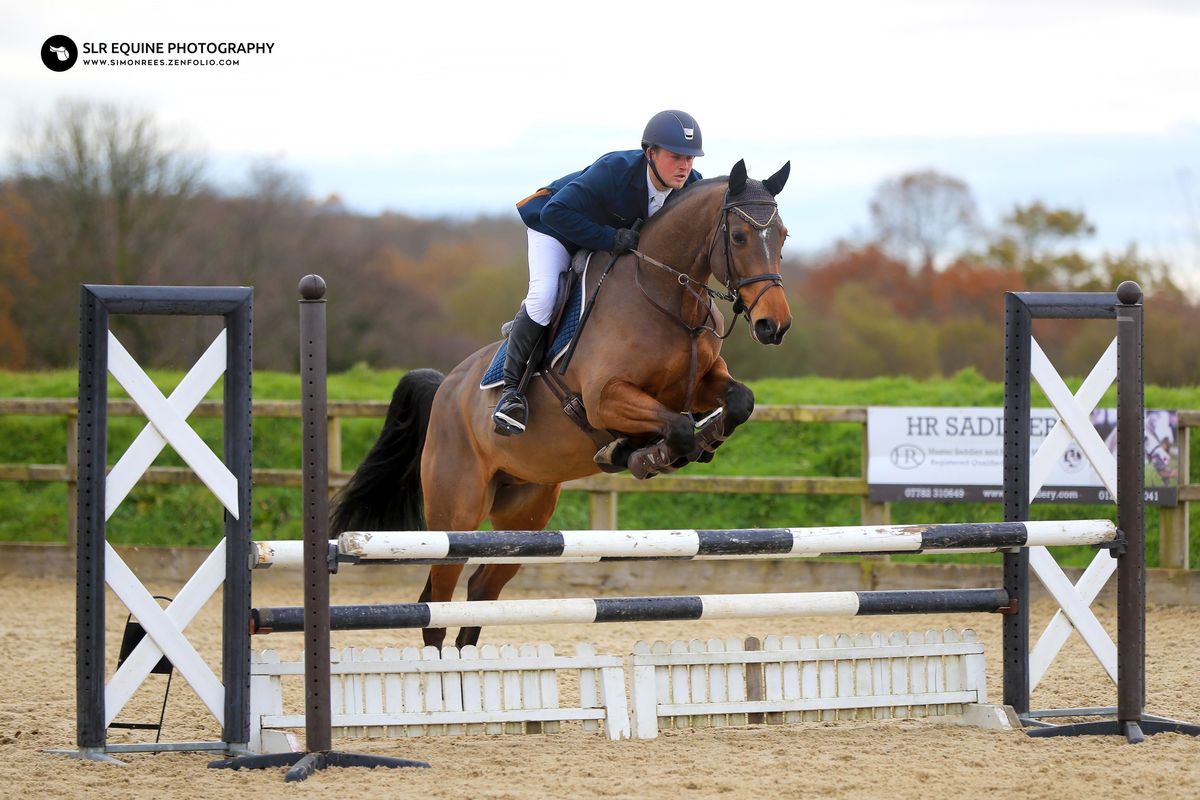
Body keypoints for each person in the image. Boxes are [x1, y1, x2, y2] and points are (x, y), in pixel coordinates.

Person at [492, 110, 706, 436]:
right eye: (676, 156)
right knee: (545, 295)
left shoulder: (690, 186)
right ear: (650, 153)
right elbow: (555, 212)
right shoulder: (615, 170)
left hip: (604, 240)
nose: (684, 166)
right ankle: (511, 393)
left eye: (690, 158)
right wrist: (608, 238)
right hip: (555, 227)